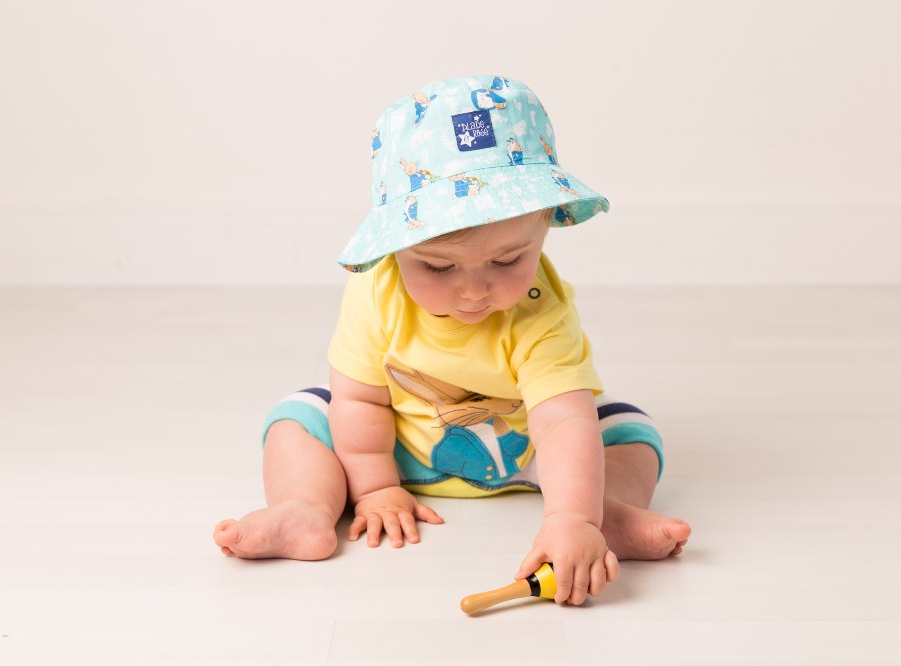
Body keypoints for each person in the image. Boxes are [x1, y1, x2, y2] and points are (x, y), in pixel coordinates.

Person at [213, 76, 691, 606]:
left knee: (624, 427)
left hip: (527, 455)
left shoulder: (541, 311)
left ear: (544, 230)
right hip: (394, 447)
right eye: (439, 267)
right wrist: (375, 487)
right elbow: (361, 397)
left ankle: (603, 514)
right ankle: (304, 507)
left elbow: (560, 421)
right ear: (394, 246)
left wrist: (572, 514)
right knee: (299, 415)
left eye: (507, 260)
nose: (472, 291)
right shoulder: (376, 293)